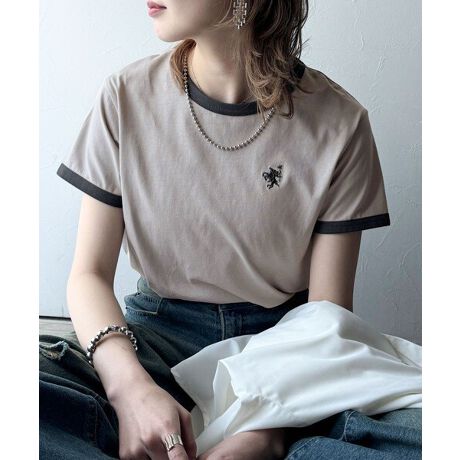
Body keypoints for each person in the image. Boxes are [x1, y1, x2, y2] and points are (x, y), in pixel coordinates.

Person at [39, 1, 422, 459]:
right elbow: (88, 276)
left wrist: (267, 431)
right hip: (158, 344)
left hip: (289, 353)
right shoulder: (126, 97)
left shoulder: (340, 122)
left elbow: (326, 316)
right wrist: (130, 389)